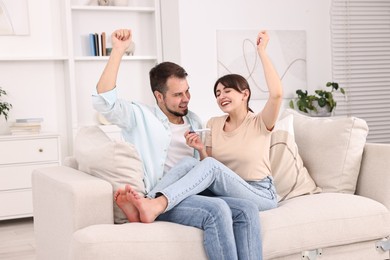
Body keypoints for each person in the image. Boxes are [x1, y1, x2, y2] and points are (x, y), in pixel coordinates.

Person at [93, 28, 262, 260]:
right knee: (218, 210)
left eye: (187, 91)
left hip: (194, 193)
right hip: (162, 197)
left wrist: (202, 151)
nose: (186, 99)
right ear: (159, 96)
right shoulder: (139, 117)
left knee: (248, 208)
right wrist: (118, 51)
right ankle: (149, 206)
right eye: (177, 95)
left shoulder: (195, 121)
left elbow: (205, 169)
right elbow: (105, 101)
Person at [121, 30, 283, 227]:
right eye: (217, 92)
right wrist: (199, 149)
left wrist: (262, 52)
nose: (221, 95)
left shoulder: (259, 122)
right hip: (228, 190)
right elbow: (211, 169)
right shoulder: (213, 124)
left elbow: (276, 95)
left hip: (259, 192)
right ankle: (148, 201)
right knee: (190, 162)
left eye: (227, 90)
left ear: (245, 94)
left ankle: (156, 205)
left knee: (209, 166)